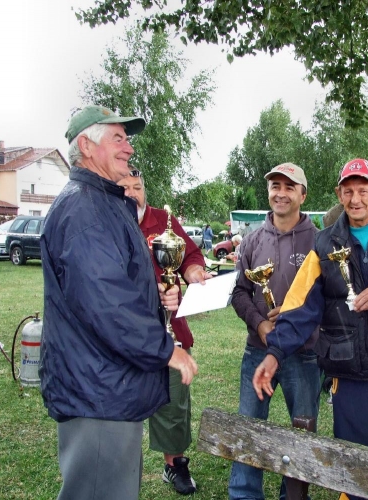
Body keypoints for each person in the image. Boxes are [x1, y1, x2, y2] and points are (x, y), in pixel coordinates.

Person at [252, 158, 368, 500]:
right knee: (353, 472)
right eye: (348, 191)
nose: (355, 200)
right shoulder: (323, 245)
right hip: (348, 372)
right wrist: (275, 353)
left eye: (363, 191)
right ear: (339, 194)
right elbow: (299, 307)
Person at [40, 105, 198, 500]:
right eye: (118, 137)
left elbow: (113, 287)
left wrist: (157, 297)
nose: (128, 147)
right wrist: (168, 350)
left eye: (127, 138)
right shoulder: (85, 210)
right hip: (98, 393)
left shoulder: (103, 203)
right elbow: (106, 304)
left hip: (107, 385)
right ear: (86, 146)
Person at [229, 162, 320, 500]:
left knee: (303, 430)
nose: (280, 193)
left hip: (305, 352)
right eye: (275, 186)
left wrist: (298, 316)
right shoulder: (252, 241)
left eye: (289, 187)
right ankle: (244, 494)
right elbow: (239, 292)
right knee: (249, 427)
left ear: (302, 194)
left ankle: (293, 496)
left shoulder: (319, 240)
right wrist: (261, 324)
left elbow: (328, 295)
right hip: (258, 349)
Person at [117, 169, 211, 495]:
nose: (132, 193)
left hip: (170, 331)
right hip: (125, 333)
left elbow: (190, 254)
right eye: (123, 187)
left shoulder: (163, 220)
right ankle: (116, 466)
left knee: (173, 400)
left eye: (137, 187)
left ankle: (175, 466)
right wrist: (145, 292)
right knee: (121, 404)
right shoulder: (107, 223)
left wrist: (193, 271)